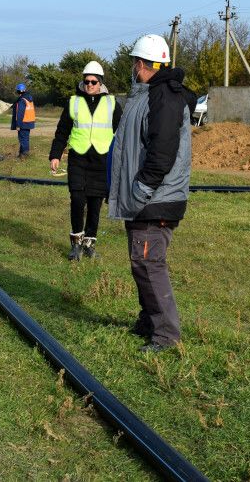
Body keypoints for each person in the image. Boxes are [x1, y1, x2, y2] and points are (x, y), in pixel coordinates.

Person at [108, 34, 192, 354]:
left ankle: (166, 335)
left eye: (133, 63)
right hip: (143, 198)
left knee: (149, 262)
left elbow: (162, 150)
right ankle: (149, 320)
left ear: (141, 65)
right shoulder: (148, 94)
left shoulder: (164, 97)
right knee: (140, 262)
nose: (132, 68)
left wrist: (142, 188)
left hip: (155, 198)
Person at [49, 61, 122, 261]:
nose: (89, 85)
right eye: (86, 81)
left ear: (101, 83)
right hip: (78, 158)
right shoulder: (73, 102)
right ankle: (76, 244)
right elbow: (62, 131)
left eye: (93, 81)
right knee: (77, 200)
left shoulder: (112, 103)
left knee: (95, 204)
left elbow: (123, 133)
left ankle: (90, 244)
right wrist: (55, 155)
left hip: (101, 160)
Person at [10, 82, 36, 158]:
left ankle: (24, 155)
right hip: (29, 122)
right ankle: (21, 154)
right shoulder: (29, 98)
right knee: (25, 139)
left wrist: (18, 125)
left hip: (23, 123)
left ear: (18, 91)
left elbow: (20, 113)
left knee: (23, 140)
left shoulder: (22, 100)